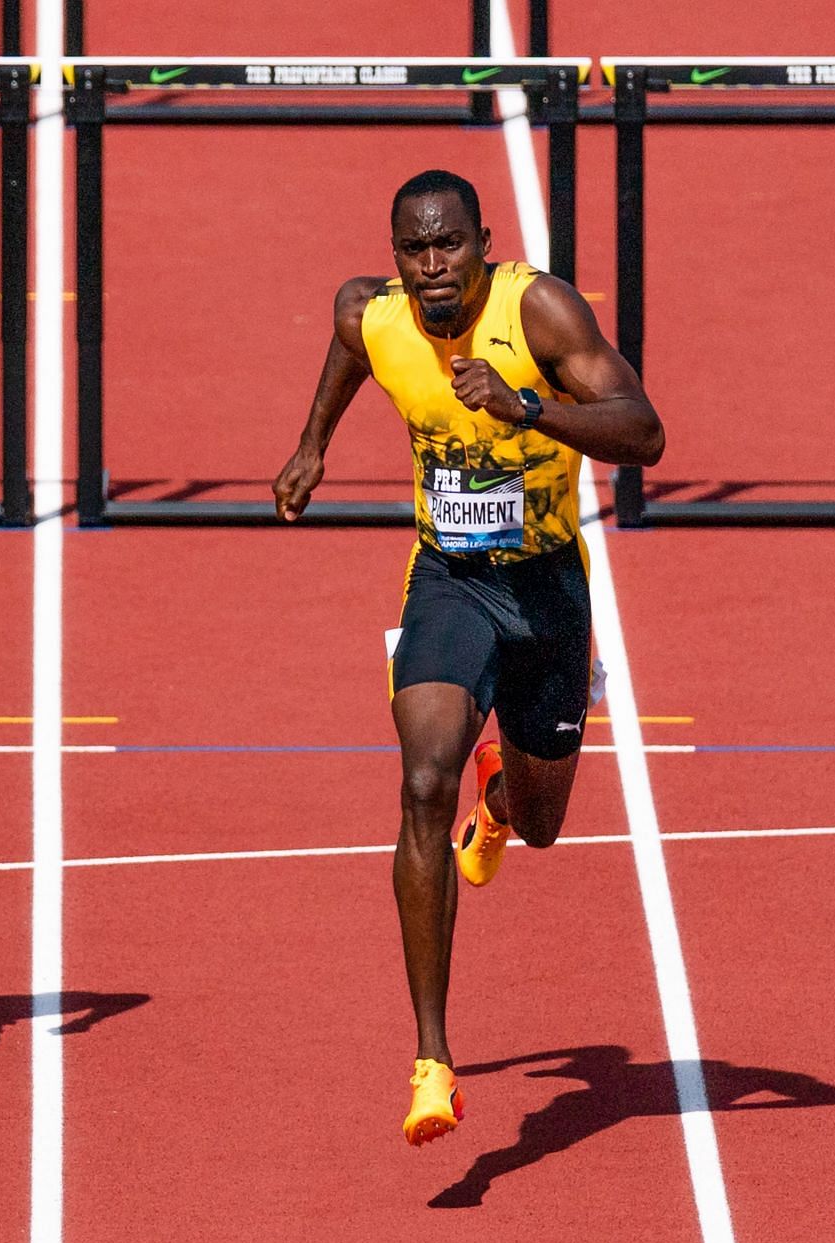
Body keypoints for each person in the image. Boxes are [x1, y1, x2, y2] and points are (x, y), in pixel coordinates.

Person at [272, 170, 663, 1146]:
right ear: (395, 256)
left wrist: (531, 407)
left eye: (449, 245)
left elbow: (646, 432)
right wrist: (311, 444)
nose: (433, 264)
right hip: (449, 580)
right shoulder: (373, 311)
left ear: (482, 243)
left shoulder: (537, 310)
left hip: (547, 589)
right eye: (415, 248)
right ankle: (433, 1056)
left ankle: (498, 802)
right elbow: (347, 349)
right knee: (419, 777)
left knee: (539, 826)